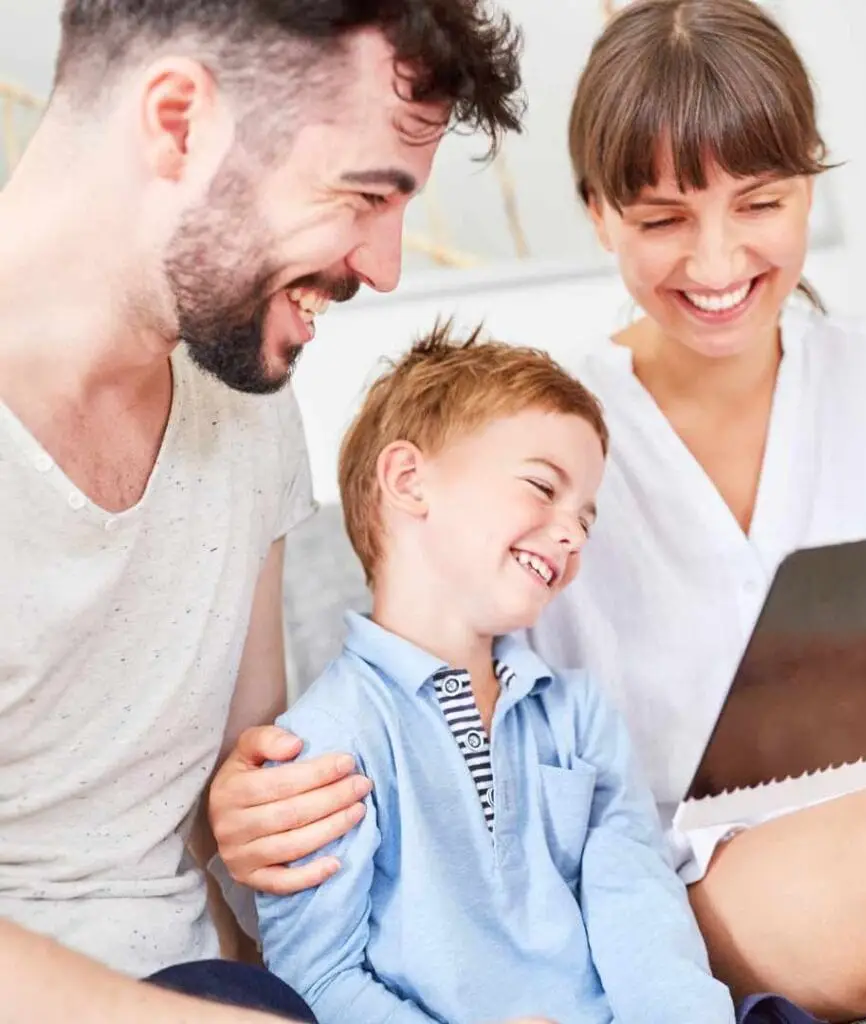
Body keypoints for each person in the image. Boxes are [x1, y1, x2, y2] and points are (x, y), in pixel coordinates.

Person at [209, 1, 866, 1022]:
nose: (716, 263)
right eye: (663, 219)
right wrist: (259, 807)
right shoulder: (549, 451)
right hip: (672, 890)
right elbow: (465, 735)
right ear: (598, 213)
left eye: (760, 203)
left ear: (809, 186)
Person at [0, 0, 523, 1019]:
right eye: (363, 195)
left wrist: (258, 823)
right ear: (180, 122)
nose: (384, 267)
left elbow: (243, 818)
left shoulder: (244, 409)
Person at [254, 324, 787, 1024]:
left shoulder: (579, 713)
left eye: (586, 519)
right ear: (409, 481)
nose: (572, 533)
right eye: (542, 487)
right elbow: (318, 978)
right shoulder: (328, 739)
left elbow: (640, 907)